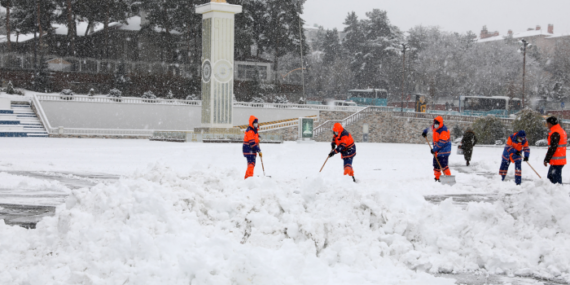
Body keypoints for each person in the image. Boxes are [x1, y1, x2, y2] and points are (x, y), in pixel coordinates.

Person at [422, 116, 452, 182]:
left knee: (443, 165)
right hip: (437, 150)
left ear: (440, 123)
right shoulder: (435, 127)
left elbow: (442, 142)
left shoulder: (443, 130)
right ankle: (437, 178)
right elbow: (430, 128)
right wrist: (425, 131)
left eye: (437, 123)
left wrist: (434, 149)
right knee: (436, 164)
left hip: (445, 150)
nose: (435, 125)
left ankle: (449, 179)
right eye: (435, 123)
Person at [544, 116, 567, 184]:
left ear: (550, 123)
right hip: (558, 160)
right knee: (550, 180)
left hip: (557, 161)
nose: (547, 126)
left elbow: (552, 148)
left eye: (547, 124)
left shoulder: (555, 133)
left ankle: (559, 194)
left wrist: (546, 159)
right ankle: (553, 193)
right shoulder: (561, 131)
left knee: (556, 183)